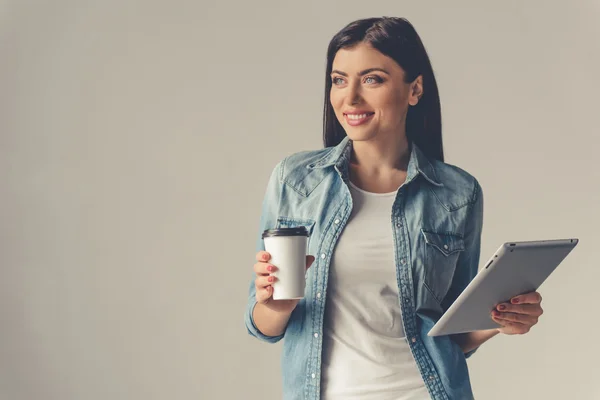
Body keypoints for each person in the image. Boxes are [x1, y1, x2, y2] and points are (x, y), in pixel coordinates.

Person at [244, 16, 544, 400]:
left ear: (414, 89)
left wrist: (503, 319)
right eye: (339, 80)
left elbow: (452, 335)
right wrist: (278, 305)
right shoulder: (296, 181)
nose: (350, 98)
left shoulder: (457, 193)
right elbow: (263, 325)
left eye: (372, 79)